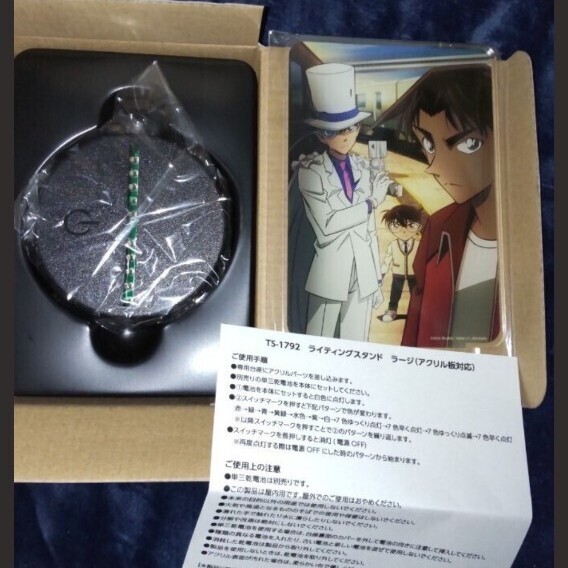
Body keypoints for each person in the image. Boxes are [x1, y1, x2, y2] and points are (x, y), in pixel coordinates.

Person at [379, 65, 498, 347]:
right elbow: (417, 314)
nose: (435, 167)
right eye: (429, 145)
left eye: (470, 143)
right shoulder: (438, 226)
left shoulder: (531, 238)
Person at [293, 63, 393, 341]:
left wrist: (375, 277)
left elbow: (370, 231)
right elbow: (327, 224)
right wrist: (371, 203)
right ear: (321, 135)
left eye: (352, 127)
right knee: (317, 344)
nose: (346, 136)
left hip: (363, 275)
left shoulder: (362, 168)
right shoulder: (311, 172)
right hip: (330, 274)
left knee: (357, 346)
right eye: (335, 131)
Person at [380, 205, 423, 323]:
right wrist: (382, 273)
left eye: (411, 226)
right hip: (397, 273)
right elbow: (387, 260)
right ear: (390, 228)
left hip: (414, 274)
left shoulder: (419, 244)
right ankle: (392, 310)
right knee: (395, 293)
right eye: (397, 226)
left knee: (415, 294)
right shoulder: (393, 245)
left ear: (419, 227)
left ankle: (417, 313)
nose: (404, 230)